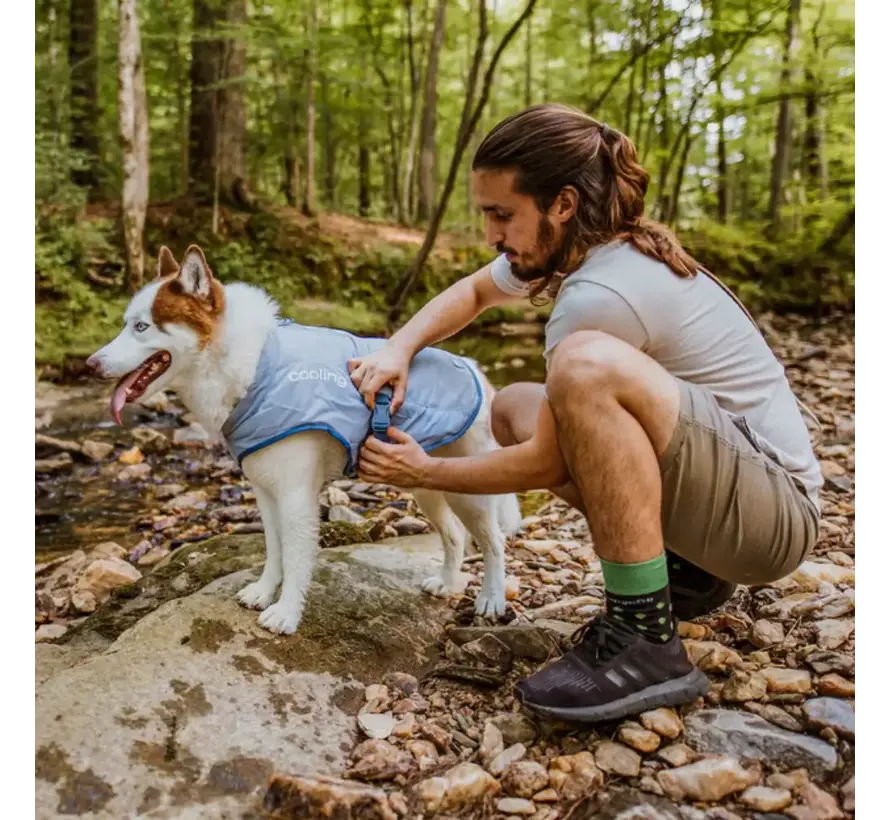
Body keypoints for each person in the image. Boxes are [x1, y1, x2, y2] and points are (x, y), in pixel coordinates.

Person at [347, 103, 822, 723]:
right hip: (735, 508)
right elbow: (475, 291)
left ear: (563, 205)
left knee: (581, 367)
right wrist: (399, 347)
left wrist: (423, 472)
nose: (491, 233)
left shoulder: (600, 292)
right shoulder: (590, 251)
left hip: (772, 523)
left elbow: (545, 463)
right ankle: (688, 573)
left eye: (502, 215)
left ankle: (643, 637)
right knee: (517, 406)